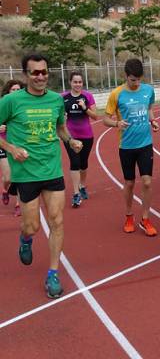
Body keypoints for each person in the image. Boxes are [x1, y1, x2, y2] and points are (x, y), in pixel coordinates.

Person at [0, 53, 82, 299]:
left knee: (57, 220)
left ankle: (53, 274)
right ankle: (25, 239)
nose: (40, 76)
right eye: (35, 72)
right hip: (26, 175)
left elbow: (60, 128)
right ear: (26, 75)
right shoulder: (11, 101)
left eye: (44, 72)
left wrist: (70, 140)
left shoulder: (56, 100)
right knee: (32, 226)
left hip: (52, 170)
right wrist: (11, 148)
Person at [104, 58, 159, 236]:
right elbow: (105, 119)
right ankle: (129, 215)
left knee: (147, 182)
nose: (136, 83)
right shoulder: (117, 94)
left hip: (145, 144)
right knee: (129, 183)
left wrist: (153, 120)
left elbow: (149, 109)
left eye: (139, 80)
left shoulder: (148, 90)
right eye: (132, 80)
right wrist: (116, 124)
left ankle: (145, 218)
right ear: (126, 76)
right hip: (126, 146)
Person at [61, 72, 97, 208]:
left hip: (86, 135)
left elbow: (95, 116)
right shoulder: (63, 97)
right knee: (74, 162)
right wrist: (62, 118)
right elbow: (58, 116)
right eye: (75, 82)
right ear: (70, 82)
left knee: (83, 163)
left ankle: (82, 185)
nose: (77, 84)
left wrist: (84, 107)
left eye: (80, 82)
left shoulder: (87, 96)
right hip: (70, 136)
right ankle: (76, 194)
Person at [0, 79, 24, 216]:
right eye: (13, 89)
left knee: (19, 175)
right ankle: (5, 189)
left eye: (18, 90)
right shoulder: (2, 104)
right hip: (3, 144)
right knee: (8, 177)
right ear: (8, 91)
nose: (16, 92)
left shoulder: (23, 106)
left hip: (19, 145)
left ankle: (18, 204)